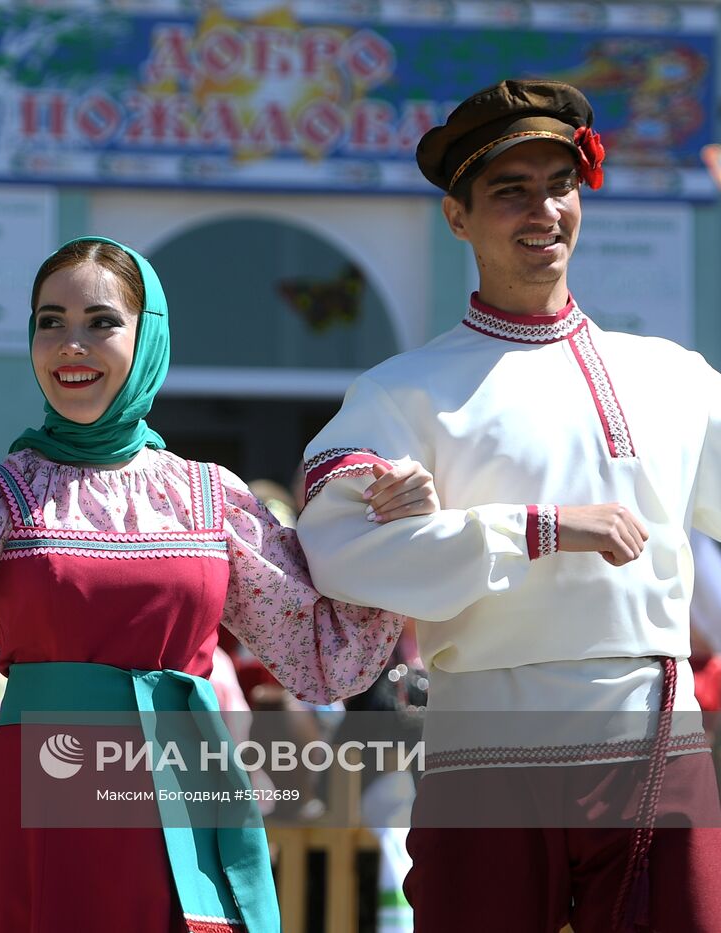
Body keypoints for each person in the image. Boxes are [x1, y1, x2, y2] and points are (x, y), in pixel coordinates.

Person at [0, 236, 439, 933]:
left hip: (182, 797)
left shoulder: (210, 497)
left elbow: (318, 644)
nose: (71, 344)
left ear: (148, 336)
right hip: (40, 806)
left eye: (101, 322)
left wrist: (389, 531)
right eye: (50, 324)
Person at [295, 79, 721, 931]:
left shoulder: (672, 375)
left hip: (650, 738)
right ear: (458, 217)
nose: (543, 210)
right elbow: (335, 548)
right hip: (484, 744)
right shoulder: (402, 392)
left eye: (559, 185)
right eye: (510, 191)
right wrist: (542, 530)